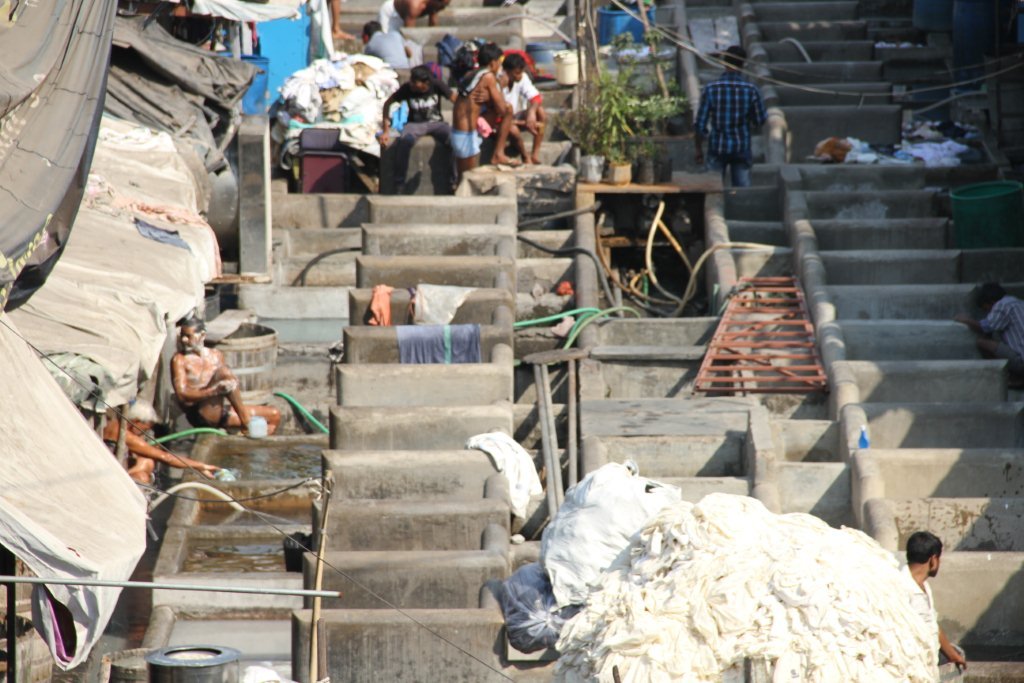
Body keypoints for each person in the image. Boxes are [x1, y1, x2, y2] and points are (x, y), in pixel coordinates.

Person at [171, 316, 281, 436]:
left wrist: (225, 387)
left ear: (202, 335)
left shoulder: (216, 355)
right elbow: (182, 395)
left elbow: (227, 387)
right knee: (224, 372)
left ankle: (251, 445)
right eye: (182, 336)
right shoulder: (179, 359)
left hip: (219, 411)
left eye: (188, 336)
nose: (184, 340)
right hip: (200, 413)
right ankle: (246, 423)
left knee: (274, 415)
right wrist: (213, 391)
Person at [694, 45, 767, 188]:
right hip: (742, 148)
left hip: (717, 148)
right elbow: (760, 120)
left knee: (713, 188)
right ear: (743, 64)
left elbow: (700, 124)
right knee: (741, 191)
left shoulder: (711, 89)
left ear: (723, 62)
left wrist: (698, 149)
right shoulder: (751, 90)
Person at [103, 400, 219, 484]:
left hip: (112, 466)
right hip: (107, 474)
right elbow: (166, 458)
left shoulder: (115, 425)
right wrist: (200, 465)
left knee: (146, 460)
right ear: (136, 421)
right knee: (142, 475)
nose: (144, 433)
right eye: (145, 429)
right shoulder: (124, 434)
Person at [381, 65, 457, 191]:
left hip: (436, 124)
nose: (412, 85)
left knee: (454, 141)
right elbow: (387, 104)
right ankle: (399, 183)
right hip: (415, 125)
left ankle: (454, 181)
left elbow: (456, 100)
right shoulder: (407, 88)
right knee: (404, 142)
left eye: (415, 82)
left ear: (425, 83)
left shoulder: (436, 84)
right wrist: (385, 131)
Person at [904, 531, 968, 671]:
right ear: (933, 560)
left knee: (957, 653)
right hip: (910, 663)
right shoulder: (900, 587)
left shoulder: (924, 586)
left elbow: (932, 625)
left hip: (927, 658)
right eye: (939, 559)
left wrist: (952, 654)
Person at [452, 42, 515, 178]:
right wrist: (501, 86)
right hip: (465, 134)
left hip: (463, 131)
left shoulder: (473, 73)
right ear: (493, 63)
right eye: (499, 62)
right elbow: (503, 109)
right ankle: (498, 154)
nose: (500, 67)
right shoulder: (488, 76)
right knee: (466, 180)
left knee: (465, 179)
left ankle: (498, 153)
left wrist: (489, 97)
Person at [955, 282, 1024, 384]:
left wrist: (965, 320)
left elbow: (984, 327)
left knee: (981, 343)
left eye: (987, 309)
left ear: (991, 302)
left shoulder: (1002, 305)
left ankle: (1013, 378)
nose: (989, 313)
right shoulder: (1018, 302)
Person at [500, 52, 546, 165]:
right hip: (501, 121)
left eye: (521, 72)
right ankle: (525, 156)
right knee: (512, 129)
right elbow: (499, 112)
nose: (519, 76)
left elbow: (536, 97)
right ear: (507, 71)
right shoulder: (497, 81)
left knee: (541, 113)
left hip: (515, 116)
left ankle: (535, 154)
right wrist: (520, 122)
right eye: (516, 73)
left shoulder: (522, 78)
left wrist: (531, 112)